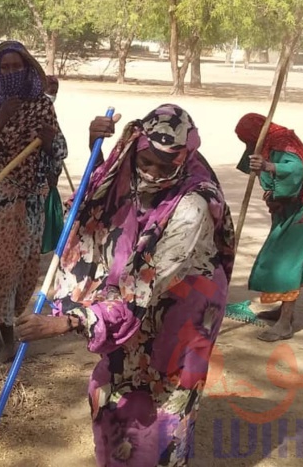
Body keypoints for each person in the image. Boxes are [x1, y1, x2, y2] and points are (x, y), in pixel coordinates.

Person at [17, 104, 236, 466]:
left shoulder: (194, 205)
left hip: (183, 306)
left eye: (165, 167)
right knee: (112, 386)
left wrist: (68, 321)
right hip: (131, 295)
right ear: (136, 148)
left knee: (166, 397)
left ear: (183, 158)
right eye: (145, 161)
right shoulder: (128, 164)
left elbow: (144, 286)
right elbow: (101, 204)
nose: (152, 173)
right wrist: (96, 149)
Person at [0, 41, 68, 362]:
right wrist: (2, 118)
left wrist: (48, 144)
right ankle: (8, 338)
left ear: (27, 68)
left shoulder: (42, 106)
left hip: (31, 199)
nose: (10, 73)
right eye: (4, 68)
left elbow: (59, 151)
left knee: (21, 269)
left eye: (16, 67)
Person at [234, 114, 303, 342]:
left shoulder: (282, 142)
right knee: (278, 258)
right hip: (290, 207)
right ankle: (283, 311)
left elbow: (295, 169)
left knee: (289, 264)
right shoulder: (267, 142)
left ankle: (285, 324)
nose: (248, 145)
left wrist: (268, 166)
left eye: (248, 140)